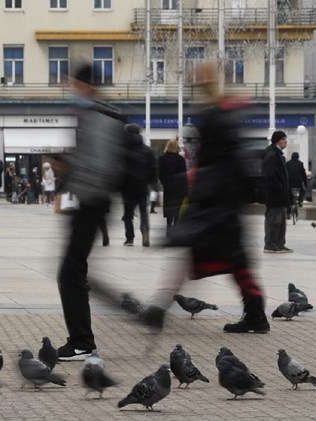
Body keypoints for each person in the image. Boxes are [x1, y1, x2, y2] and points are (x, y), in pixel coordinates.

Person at [141, 61, 270, 334]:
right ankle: (255, 314)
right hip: (222, 201)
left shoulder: (216, 116)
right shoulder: (222, 113)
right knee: (234, 261)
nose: (196, 84)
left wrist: (199, 181)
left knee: (199, 254)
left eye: (200, 80)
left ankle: (159, 309)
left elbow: (223, 159)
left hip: (216, 201)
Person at [56, 63, 125, 361]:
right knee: (75, 271)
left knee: (70, 273)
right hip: (89, 204)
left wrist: (70, 174)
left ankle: (82, 341)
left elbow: (99, 168)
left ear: (84, 85)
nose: (69, 88)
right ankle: (82, 339)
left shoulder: (98, 118)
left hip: (92, 204)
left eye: (72, 83)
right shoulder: (92, 115)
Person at [121, 123, 157, 247]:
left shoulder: (123, 150)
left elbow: (118, 169)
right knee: (143, 211)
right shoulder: (148, 150)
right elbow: (153, 167)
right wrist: (151, 181)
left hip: (127, 187)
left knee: (128, 214)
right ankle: (145, 229)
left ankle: (130, 238)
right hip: (142, 185)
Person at [262, 130, 292, 253]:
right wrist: (280, 189)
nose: (286, 142)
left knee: (280, 222)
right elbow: (271, 177)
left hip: (280, 195)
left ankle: (279, 244)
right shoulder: (271, 155)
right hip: (274, 195)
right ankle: (270, 244)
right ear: (276, 141)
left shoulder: (278, 154)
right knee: (273, 221)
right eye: (283, 139)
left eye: (286, 139)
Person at [157, 139, 188, 235]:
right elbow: (184, 174)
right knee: (178, 208)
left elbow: (159, 173)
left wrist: (164, 182)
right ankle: (175, 229)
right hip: (179, 187)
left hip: (168, 187)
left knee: (169, 208)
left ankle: (168, 229)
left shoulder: (162, 159)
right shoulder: (180, 159)